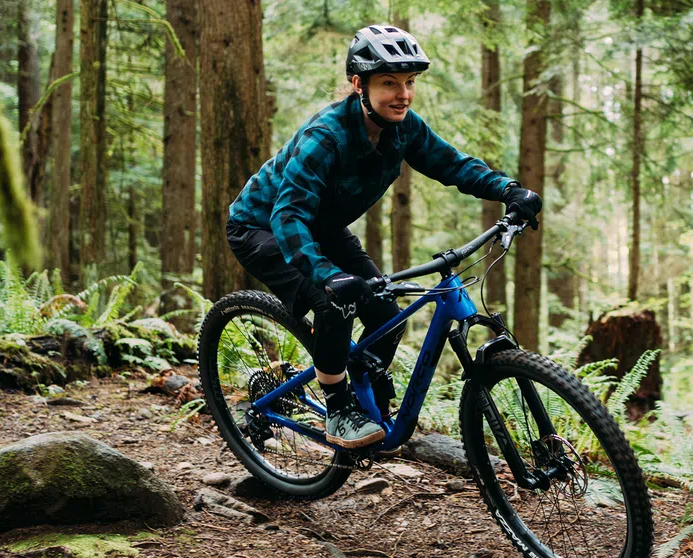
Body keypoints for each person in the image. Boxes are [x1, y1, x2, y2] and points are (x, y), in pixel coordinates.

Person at [226, 25, 542, 449]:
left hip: (321, 227)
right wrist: (326, 276)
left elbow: (453, 165)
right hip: (262, 227)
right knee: (334, 302)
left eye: (409, 83)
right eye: (389, 83)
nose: (403, 94)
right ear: (359, 84)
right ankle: (339, 409)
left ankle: (360, 393)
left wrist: (509, 191)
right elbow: (288, 215)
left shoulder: (404, 128)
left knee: (385, 314)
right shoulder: (326, 137)